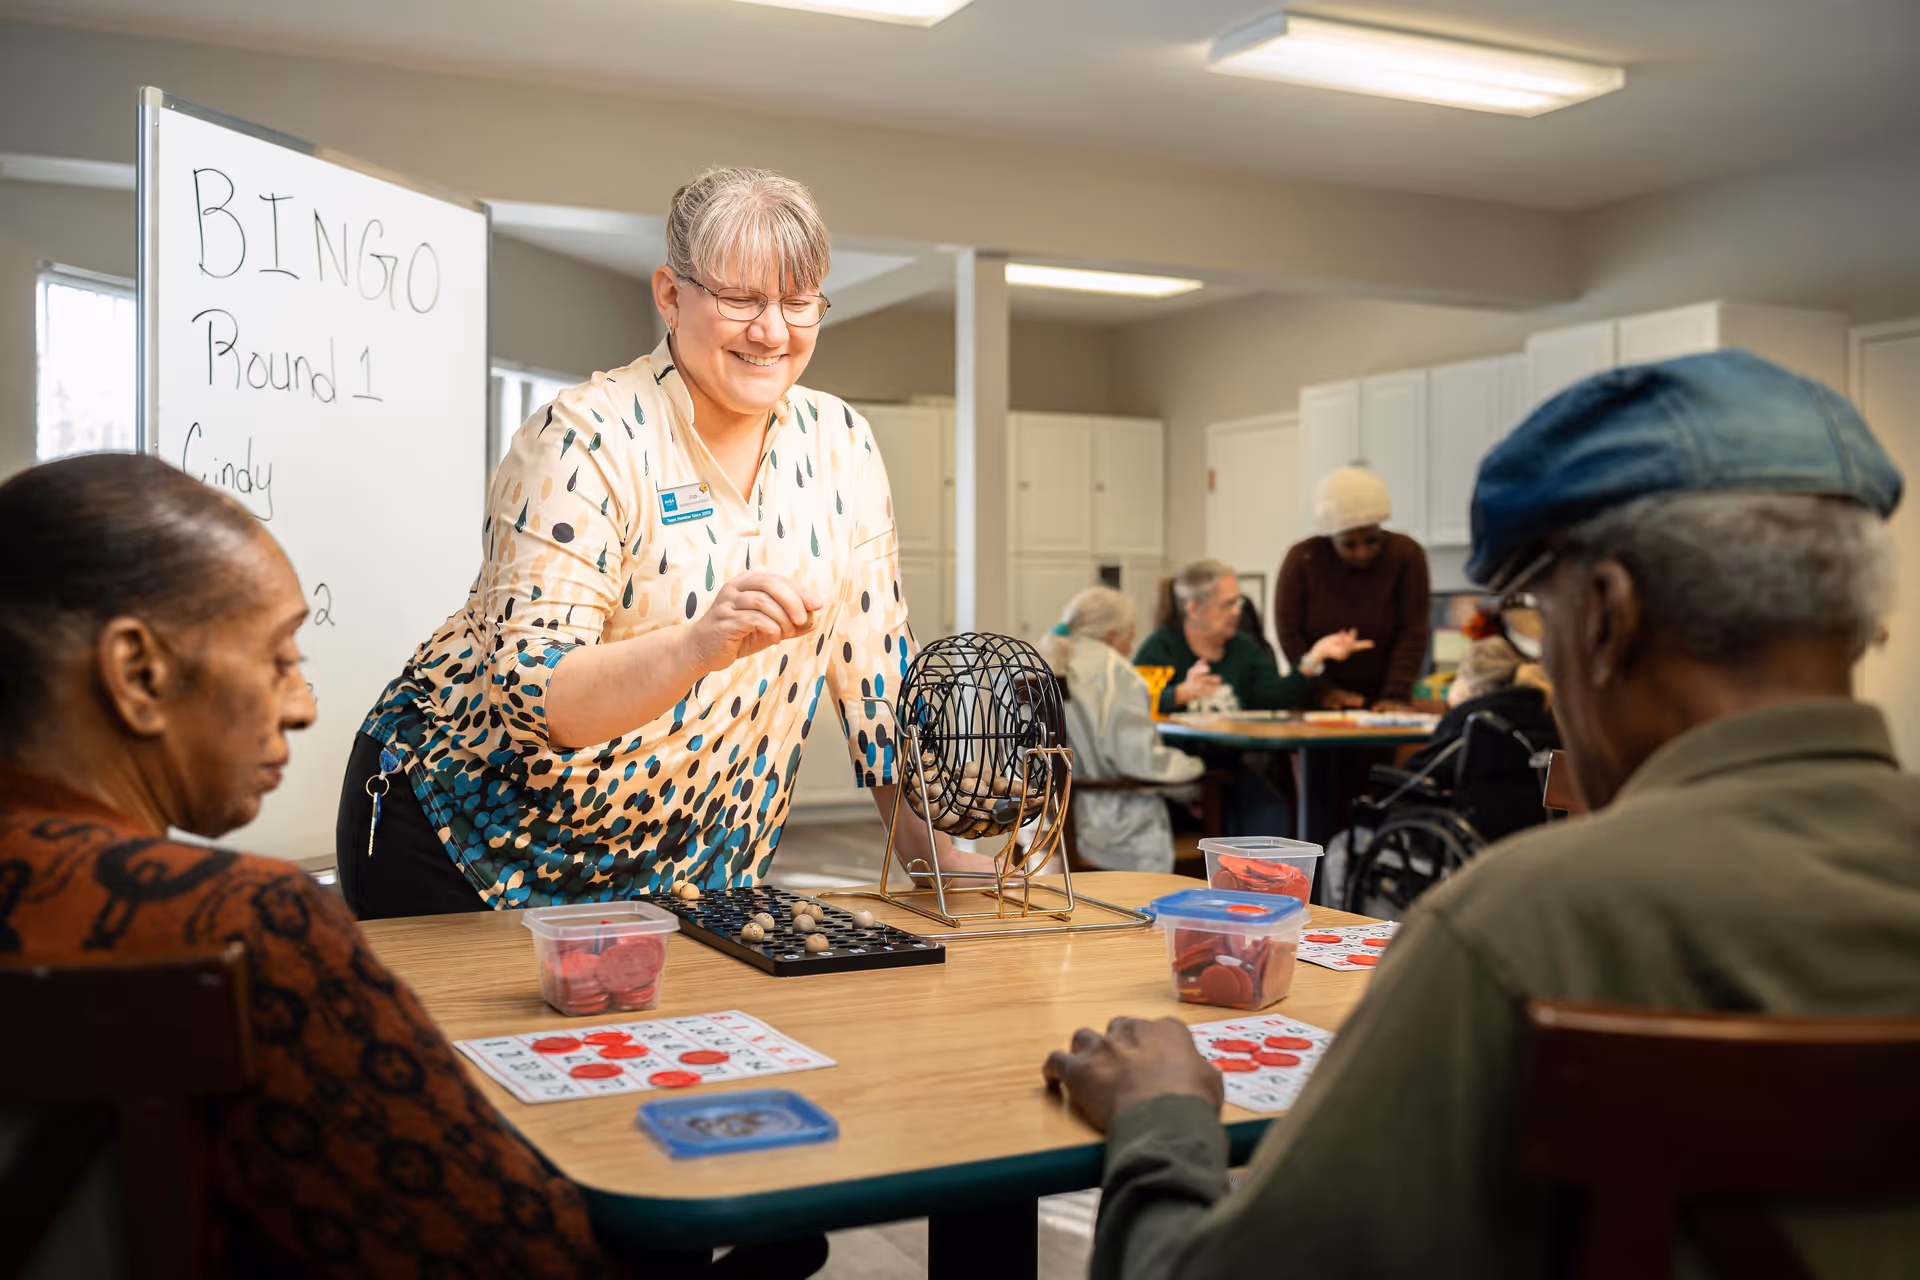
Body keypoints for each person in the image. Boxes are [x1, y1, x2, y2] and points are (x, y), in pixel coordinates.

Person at [1042, 350, 1920, 1278]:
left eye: (1539, 615)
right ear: (1867, 620)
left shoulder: (1515, 930)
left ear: (1607, 618)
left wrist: (1163, 1115)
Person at [0, 454, 613, 1278]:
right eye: (280, 656)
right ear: (138, 674)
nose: (303, 705)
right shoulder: (244, 927)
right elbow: (519, 1254)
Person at [340, 166, 970, 920]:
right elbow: (539, 698)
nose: (773, 332)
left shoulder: (842, 445)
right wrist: (696, 646)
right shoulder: (583, 438)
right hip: (463, 838)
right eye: (741, 299)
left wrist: (936, 856)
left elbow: (876, 679)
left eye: (798, 303)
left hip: (686, 867)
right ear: (671, 295)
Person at [1039, 588, 1205, 873]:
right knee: (1210, 792)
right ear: (1112, 634)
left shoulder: (1040, 659)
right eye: (1130, 636)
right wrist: (1193, 770)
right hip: (1110, 826)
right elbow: (1137, 761)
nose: (1131, 647)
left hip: (1044, 820)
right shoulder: (1115, 672)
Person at [1276, 467, 1431, 711]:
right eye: (1349, 544)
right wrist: (1322, 691)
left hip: (1384, 700)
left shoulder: (1407, 555)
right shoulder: (1302, 558)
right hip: (1318, 702)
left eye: (1372, 540)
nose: (1363, 552)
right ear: (1330, 537)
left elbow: (1413, 631)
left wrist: (1394, 695)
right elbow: (1289, 634)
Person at [1134, 560, 1368, 716]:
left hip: (1232, 768)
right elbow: (1131, 702)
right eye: (1227, 604)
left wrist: (1316, 657)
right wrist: (1181, 693)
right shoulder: (1161, 646)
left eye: (1239, 602)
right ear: (1194, 609)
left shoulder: (1243, 648)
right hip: (1177, 767)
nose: (1238, 611)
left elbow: (1274, 698)